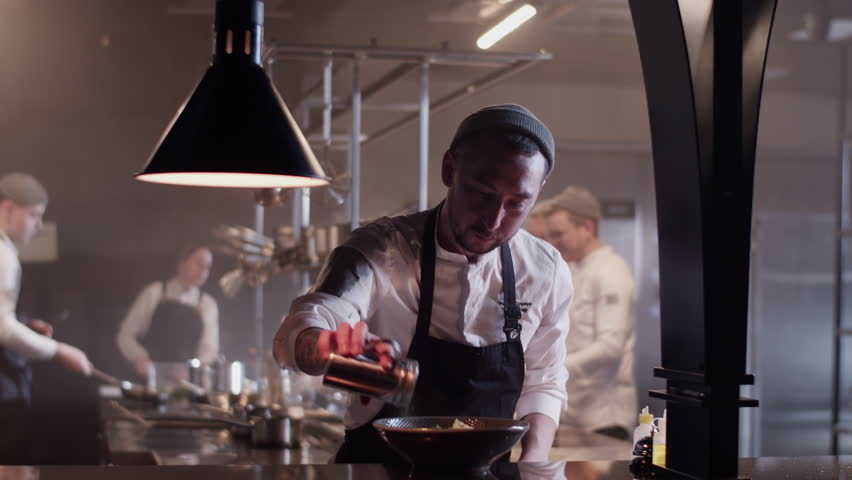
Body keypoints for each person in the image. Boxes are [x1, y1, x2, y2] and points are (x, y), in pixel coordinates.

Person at [274, 104, 573, 464]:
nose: (494, 220)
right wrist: (326, 346)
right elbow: (307, 324)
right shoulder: (380, 248)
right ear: (449, 169)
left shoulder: (544, 270)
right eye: (483, 192)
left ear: (538, 193)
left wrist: (534, 464)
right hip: (381, 469)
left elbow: (544, 379)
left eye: (517, 204)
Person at [0, 172, 92, 463]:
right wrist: (59, 351)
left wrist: (25, 323)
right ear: (8, 208)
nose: (39, 226)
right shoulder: (3, 255)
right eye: (34, 215)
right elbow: (2, 327)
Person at [543, 186, 637, 440]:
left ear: (587, 227)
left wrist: (555, 367)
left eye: (558, 234)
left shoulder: (611, 271)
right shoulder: (573, 270)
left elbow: (610, 346)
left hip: (603, 418)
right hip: (572, 414)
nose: (553, 242)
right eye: (550, 235)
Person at [116, 245, 219, 377]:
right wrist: (139, 357)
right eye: (198, 263)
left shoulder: (208, 304)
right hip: (148, 377)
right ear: (182, 262)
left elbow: (209, 351)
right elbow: (125, 335)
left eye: (207, 267)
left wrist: (192, 369)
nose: (203, 271)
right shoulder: (154, 292)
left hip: (186, 382)